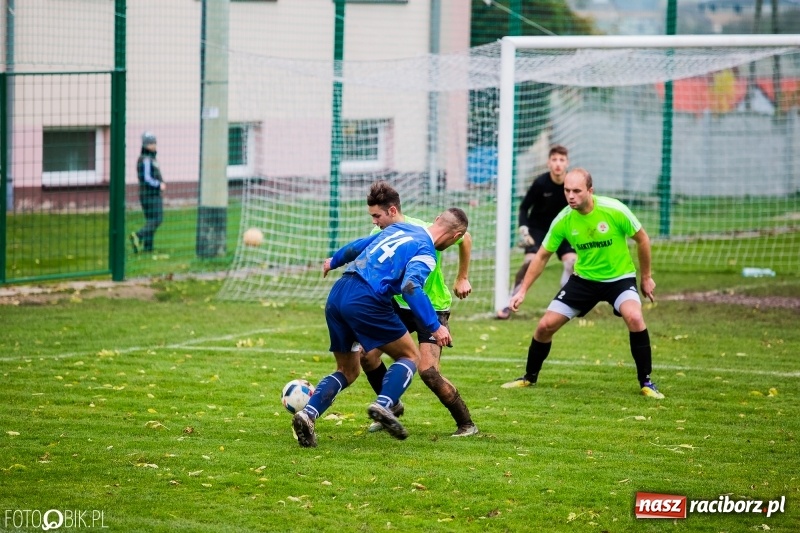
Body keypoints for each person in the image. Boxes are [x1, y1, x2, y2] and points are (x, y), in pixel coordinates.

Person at [291, 207, 470, 448]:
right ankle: (385, 404)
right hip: (367, 300)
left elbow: (358, 246)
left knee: (347, 370)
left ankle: (308, 414)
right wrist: (434, 326)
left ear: (437, 219)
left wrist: (333, 261)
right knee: (409, 356)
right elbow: (410, 287)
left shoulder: (398, 228)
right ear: (456, 237)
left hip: (339, 293)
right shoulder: (426, 252)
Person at [501, 167, 664, 399]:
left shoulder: (614, 210)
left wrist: (646, 278)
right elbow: (542, 256)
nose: (570, 196)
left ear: (590, 190)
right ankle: (529, 377)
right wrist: (522, 291)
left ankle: (646, 381)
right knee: (544, 326)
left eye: (576, 191)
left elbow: (642, 239)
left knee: (635, 317)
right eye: (567, 190)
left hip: (619, 279)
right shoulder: (564, 219)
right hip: (583, 281)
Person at [360, 181, 478, 437]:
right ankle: (388, 405)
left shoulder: (425, 230)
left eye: (377, 216)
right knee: (367, 356)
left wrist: (462, 277)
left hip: (431, 307)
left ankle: (467, 424)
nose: (374, 223)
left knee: (428, 372)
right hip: (398, 306)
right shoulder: (375, 235)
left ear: (392, 211)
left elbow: (464, 236)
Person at [497, 145, 577, 319]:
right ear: (548, 162)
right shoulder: (540, 183)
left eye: (561, 160)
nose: (558, 164)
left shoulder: (572, 184)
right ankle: (510, 301)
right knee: (530, 262)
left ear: (567, 163)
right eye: (554, 159)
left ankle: (568, 302)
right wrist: (524, 229)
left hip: (564, 230)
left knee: (572, 263)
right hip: (538, 229)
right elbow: (524, 208)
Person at [130, 131, 165, 254]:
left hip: (149, 194)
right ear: (145, 145)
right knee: (157, 219)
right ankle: (138, 236)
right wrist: (158, 185)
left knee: (151, 219)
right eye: (151, 143)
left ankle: (148, 248)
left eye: (154, 142)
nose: (154, 145)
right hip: (150, 194)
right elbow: (146, 178)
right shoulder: (145, 159)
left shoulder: (150, 158)